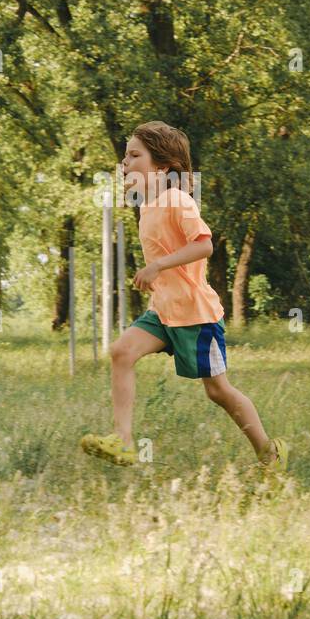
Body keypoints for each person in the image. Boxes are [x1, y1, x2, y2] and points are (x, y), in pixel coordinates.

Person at [80, 120, 289, 472]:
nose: (125, 163)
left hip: (196, 315)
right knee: (121, 352)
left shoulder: (177, 200)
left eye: (134, 155)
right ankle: (123, 442)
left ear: (161, 166)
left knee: (218, 391)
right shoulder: (147, 206)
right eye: (125, 156)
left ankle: (269, 453)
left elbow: (204, 245)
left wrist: (157, 266)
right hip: (163, 313)